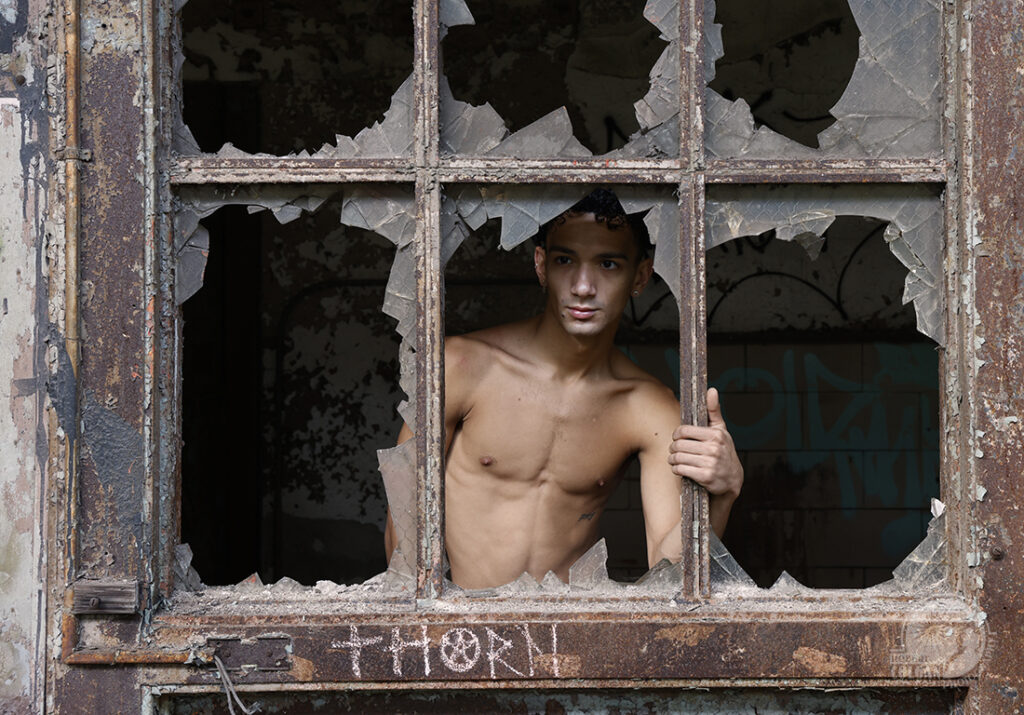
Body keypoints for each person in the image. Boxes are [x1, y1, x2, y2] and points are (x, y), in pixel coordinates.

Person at [385, 189, 743, 589]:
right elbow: (404, 533)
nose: (583, 286)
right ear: (541, 266)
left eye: (607, 264)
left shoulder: (647, 407)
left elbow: (669, 568)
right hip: (464, 637)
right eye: (564, 261)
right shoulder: (459, 367)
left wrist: (723, 494)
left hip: (567, 635)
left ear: (640, 275)